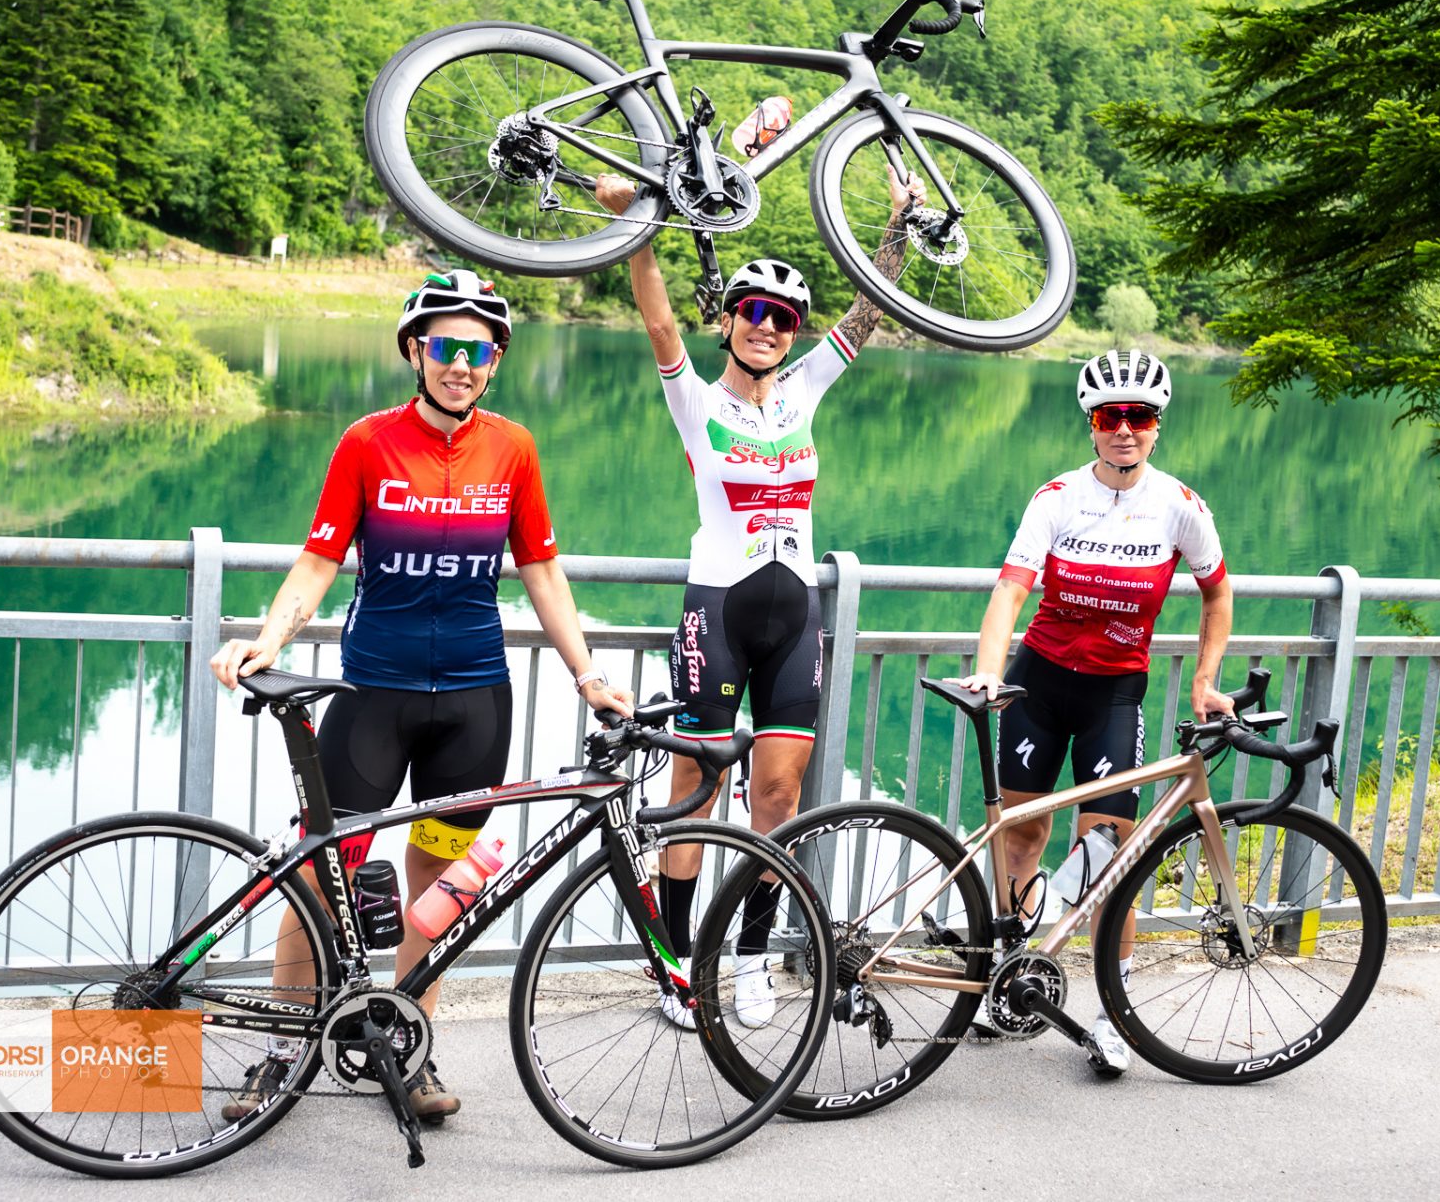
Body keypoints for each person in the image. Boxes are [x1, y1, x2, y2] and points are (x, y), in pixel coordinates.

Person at [209, 269, 632, 1123]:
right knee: (321, 876)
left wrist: (588, 676)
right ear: (415, 350)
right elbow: (321, 558)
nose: (461, 365)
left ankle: (408, 1049)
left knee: (440, 885)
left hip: (474, 704)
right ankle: (283, 1052)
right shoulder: (367, 442)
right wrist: (270, 638)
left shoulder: (514, 448)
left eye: (479, 350)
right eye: (445, 346)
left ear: (496, 361)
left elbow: (542, 570)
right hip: (374, 695)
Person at [594, 167, 920, 1029]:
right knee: (695, 792)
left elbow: (868, 312)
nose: (768, 326)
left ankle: (749, 958)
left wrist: (897, 225)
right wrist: (639, 228)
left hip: (794, 617)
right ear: (731, 320)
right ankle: (676, 966)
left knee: (777, 799)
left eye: (783, 317)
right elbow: (658, 321)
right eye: (753, 311)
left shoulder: (806, 390)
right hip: (718, 611)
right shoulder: (695, 400)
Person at [958, 349, 1234, 1075]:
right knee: (1021, 838)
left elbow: (1217, 593)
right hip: (1038, 685)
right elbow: (1011, 589)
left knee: (1111, 858)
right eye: (1112, 416)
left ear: (1157, 426)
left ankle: (1117, 1012)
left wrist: (1206, 681)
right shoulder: (1056, 497)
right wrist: (990, 670)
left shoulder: (1181, 505)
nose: (1125, 429)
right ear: (1092, 425)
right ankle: (1013, 982)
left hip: (1113, 694)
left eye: (1139, 417)